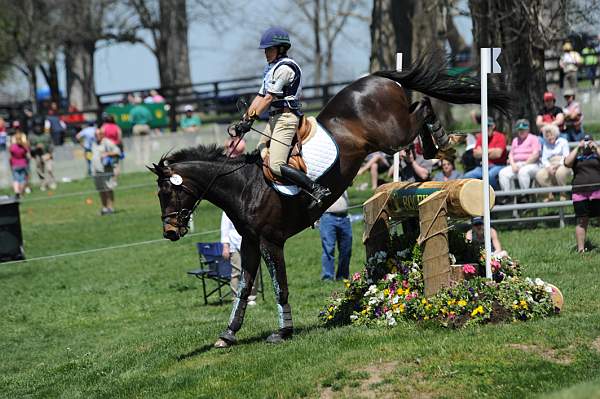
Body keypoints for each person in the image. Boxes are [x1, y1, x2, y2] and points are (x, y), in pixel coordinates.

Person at [231, 27, 330, 209]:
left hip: (287, 118)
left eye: (269, 49)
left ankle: (315, 189)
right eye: (265, 50)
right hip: (274, 119)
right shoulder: (270, 69)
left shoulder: (285, 68)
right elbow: (260, 97)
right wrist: (244, 120)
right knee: (260, 148)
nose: (266, 53)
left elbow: (269, 98)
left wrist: (251, 120)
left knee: (276, 165)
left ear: (281, 49)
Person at [564, 135, 600, 253]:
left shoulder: (596, 155)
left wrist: (596, 147)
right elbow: (567, 163)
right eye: (585, 141)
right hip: (580, 193)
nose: (587, 144)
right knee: (581, 220)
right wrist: (577, 148)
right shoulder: (577, 157)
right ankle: (581, 249)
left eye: (589, 141)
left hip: (597, 191)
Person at [221, 212, 258, 305]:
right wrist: (225, 245)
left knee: (254, 271)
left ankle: (251, 297)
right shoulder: (227, 208)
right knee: (236, 272)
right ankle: (235, 298)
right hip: (234, 243)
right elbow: (225, 227)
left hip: (251, 242)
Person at [463, 117, 507, 190]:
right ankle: (475, 197)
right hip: (482, 166)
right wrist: (492, 151)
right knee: (467, 176)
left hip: (498, 165)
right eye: (484, 126)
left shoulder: (500, 136)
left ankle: (495, 196)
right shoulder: (481, 137)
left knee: (489, 176)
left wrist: (482, 152)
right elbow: (475, 155)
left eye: (488, 126)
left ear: (493, 126)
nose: (486, 128)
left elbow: (498, 154)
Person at [498, 119, 540, 192]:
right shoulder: (515, 140)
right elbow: (510, 155)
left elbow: (535, 155)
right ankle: (509, 195)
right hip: (516, 164)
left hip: (531, 164)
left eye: (523, 129)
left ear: (528, 129)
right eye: (519, 130)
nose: (521, 131)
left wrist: (523, 165)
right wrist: (513, 165)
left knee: (523, 172)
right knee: (503, 173)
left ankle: (525, 195)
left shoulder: (534, 138)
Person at [319, 191, 352, 281]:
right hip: (328, 217)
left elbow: (351, 182)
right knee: (329, 248)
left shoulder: (343, 179)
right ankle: (327, 277)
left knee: (346, 249)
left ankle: (343, 276)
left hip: (344, 217)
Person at [535, 124, 572, 202]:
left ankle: (563, 193)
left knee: (560, 173)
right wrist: (549, 167)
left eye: (551, 135)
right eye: (547, 136)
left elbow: (566, 156)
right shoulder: (545, 144)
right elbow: (544, 159)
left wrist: (557, 165)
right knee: (539, 175)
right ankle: (549, 193)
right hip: (550, 164)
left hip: (563, 163)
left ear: (555, 134)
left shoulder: (563, 141)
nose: (550, 137)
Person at [91, 127, 121, 215]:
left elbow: (118, 152)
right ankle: (104, 208)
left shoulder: (107, 142)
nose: (97, 136)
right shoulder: (94, 143)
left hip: (106, 170)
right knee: (101, 190)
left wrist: (107, 154)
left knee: (108, 189)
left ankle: (111, 208)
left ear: (102, 134)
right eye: (95, 135)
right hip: (96, 171)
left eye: (99, 134)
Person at [29, 117, 56, 191]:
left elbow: (51, 145)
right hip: (38, 155)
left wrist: (50, 154)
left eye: (39, 126)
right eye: (36, 126)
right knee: (40, 171)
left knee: (49, 169)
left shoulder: (47, 135)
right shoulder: (32, 136)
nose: (38, 128)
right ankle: (43, 184)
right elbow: (30, 147)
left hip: (47, 154)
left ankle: (51, 182)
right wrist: (36, 147)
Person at [100, 113, 123, 182]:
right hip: (114, 146)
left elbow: (101, 136)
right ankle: (114, 179)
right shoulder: (116, 127)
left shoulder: (104, 127)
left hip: (106, 146)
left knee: (106, 164)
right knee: (116, 165)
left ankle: (108, 179)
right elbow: (119, 138)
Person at [9, 123, 30, 199]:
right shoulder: (23, 147)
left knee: (16, 179)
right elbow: (27, 151)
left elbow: (10, 153)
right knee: (22, 179)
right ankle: (20, 193)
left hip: (15, 164)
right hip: (23, 164)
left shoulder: (13, 147)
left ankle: (17, 192)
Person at [129, 97, 153, 165]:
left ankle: (139, 161)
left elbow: (131, 121)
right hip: (145, 126)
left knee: (137, 145)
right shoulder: (145, 109)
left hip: (136, 126)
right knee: (146, 145)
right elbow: (150, 119)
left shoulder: (133, 110)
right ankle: (146, 161)